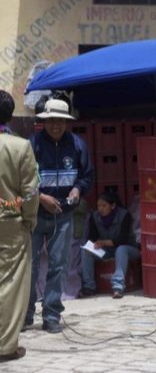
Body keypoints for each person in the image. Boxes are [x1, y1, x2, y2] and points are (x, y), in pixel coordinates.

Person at [25, 98, 94, 334]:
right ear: (44, 121)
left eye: (60, 121)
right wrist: (40, 197)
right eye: (51, 120)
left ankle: (51, 314)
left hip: (63, 216)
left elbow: (87, 176)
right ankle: (25, 315)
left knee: (58, 266)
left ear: (66, 122)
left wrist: (77, 189)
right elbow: (22, 181)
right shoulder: (31, 145)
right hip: (34, 216)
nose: (56, 125)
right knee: (29, 267)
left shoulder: (77, 146)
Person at [0, 90, 39, 360]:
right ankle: (5, 346)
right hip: (11, 225)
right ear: (11, 116)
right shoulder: (20, 146)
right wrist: (29, 220)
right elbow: (30, 193)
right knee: (10, 285)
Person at [78, 192, 140, 299]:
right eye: (98, 206)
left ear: (113, 206)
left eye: (104, 206)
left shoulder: (124, 215)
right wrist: (91, 246)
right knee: (86, 252)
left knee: (121, 249)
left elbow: (122, 240)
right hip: (107, 250)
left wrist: (103, 243)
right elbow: (92, 237)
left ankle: (118, 286)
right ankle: (89, 287)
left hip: (128, 250)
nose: (101, 209)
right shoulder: (95, 216)